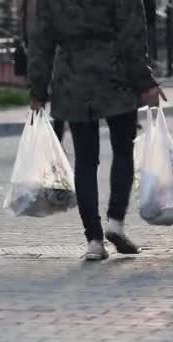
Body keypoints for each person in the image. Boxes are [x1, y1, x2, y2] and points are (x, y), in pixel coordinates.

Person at [29, 0, 167, 261]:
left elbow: (41, 39)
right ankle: (115, 222)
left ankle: (93, 239)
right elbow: (132, 35)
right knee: (123, 150)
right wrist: (145, 82)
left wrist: (37, 89)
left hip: (72, 78)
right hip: (115, 75)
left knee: (85, 158)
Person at [18, 0, 66, 142]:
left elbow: (24, 19)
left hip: (46, 48)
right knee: (46, 96)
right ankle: (43, 140)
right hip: (44, 48)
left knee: (43, 96)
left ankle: (47, 140)